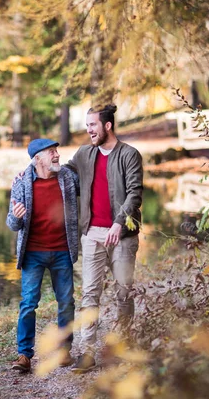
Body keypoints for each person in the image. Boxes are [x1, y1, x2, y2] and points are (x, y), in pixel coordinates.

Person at [66, 104, 144, 374]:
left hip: (122, 235)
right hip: (92, 234)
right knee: (90, 294)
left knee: (123, 292)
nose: (88, 130)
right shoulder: (84, 154)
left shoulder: (129, 155)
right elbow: (64, 175)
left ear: (107, 126)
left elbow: (134, 193)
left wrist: (118, 223)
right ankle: (87, 353)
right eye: (87, 125)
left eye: (92, 125)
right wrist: (31, 173)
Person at [6, 138, 80, 373]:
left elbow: (91, 179)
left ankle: (64, 351)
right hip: (33, 253)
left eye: (56, 150)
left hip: (62, 251)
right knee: (28, 304)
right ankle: (24, 355)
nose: (57, 155)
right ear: (37, 159)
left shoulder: (67, 177)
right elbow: (11, 224)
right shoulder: (22, 182)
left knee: (67, 302)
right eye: (51, 152)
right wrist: (17, 217)